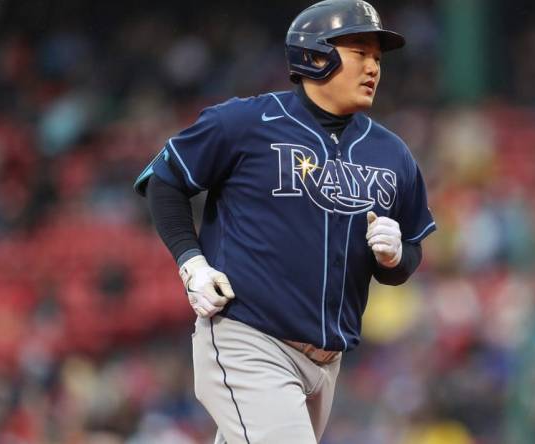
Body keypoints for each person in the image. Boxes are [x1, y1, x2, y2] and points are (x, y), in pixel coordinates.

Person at [133, 1, 435, 442]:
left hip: (327, 364)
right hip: (248, 339)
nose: (373, 67)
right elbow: (163, 181)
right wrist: (191, 263)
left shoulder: (392, 155)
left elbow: (409, 259)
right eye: (359, 52)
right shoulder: (245, 121)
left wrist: (397, 256)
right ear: (314, 55)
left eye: (377, 57)